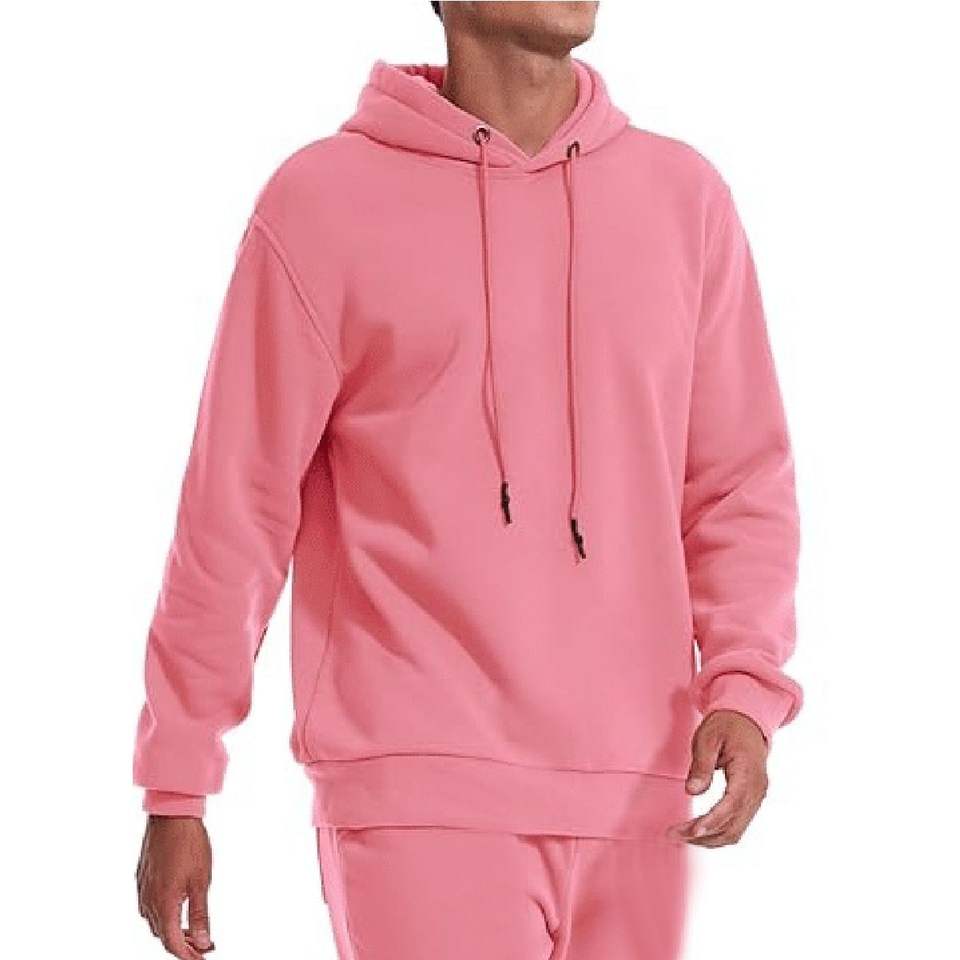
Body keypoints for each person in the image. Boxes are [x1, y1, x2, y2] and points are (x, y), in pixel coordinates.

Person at [134, 3, 802, 958]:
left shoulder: (683, 199)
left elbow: (737, 482)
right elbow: (235, 507)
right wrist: (178, 781)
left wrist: (743, 685)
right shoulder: (324, 201)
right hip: (417, 787)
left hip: (641, 792)